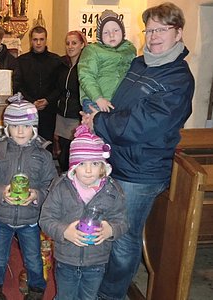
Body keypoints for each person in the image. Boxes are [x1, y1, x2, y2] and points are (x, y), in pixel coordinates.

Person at [81, 3, 195, 299]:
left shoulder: (178, 78)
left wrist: (99, 123)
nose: (154, 36)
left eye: (162, 29)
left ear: (178, 33)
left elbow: (142, 125)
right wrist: (94, 111)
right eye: (150, 29)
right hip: (118, 160)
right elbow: (117, 103)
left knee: (123, 237)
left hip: (141, 171)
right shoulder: (140, 63)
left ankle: (111, 294)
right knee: (110, 230)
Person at [0, 93, 57, 300]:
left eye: (26, 125)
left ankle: (37, 288)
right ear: (7, 127)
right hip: (2, 217)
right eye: (15, 126)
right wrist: (1, 193)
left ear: (34, 127)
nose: (20, 131)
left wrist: (37, 195)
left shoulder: (43, 154)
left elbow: (52, 185)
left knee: (33, 258)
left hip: (30, 218)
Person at [40, 124, 127, 300]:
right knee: (65, 296)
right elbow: (46, 219)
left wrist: (111, 230)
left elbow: (123, 221)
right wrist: (65, 231)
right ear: (73, 166)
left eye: (95, 163)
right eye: (82, 164)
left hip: (97, 262)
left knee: (89, 297)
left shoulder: (112, 191)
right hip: (66, 260)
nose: (88, 170)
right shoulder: (61, 188)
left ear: (103, 167)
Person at [78, 9, 136, 113]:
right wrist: (98, 98)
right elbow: (86, 76)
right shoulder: (92, 50)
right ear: (99, 36)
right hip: (95, 100)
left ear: (123, 32)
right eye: (106, 32)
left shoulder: (130, 50)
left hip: (119, 101)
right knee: (96, 126)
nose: (111, 35)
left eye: (116, 30)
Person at [17, 25, 62, 151]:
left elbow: (59, 86)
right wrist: (32, 102)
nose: (38, 43)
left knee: (46, 145)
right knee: (27, 143)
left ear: (46, 40)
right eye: (35, 39)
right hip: (28, 110)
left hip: (49, 110)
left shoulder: (56, 60)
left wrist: (47, 100)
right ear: (31, 40)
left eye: (41, 39)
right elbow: (18, 85)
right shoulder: (22, 61)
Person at [54, 30, 87, 172]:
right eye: (67, 43)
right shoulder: (63, 65)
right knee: (62, 156)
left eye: (74, 43)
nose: (70, 46)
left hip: (76, 117)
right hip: (62, 116)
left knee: (72, 155)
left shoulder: (85, 67)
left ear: (82, 45)